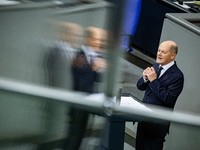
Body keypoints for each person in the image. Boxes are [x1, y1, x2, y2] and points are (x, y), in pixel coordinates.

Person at [136, 40, 184, 150]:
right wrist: (145, 78)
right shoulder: (156, 66)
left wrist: (153, 81)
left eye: (163, 52)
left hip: (156, 127)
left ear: (172, 56)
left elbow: (168, 98)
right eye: (158, 50)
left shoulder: (177, 76)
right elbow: (140, 86)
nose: (159, 54)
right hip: (143, 121)